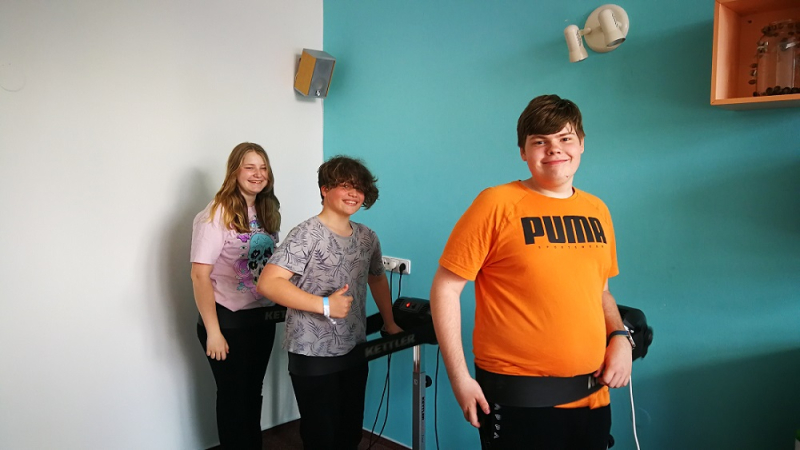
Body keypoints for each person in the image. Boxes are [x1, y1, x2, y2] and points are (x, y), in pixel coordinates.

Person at [430, 95, 633, 450]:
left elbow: (600, 290)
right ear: (523, 152)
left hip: (593, 395)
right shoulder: (496, 203)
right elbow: (446, 289)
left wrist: (619, 335)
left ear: (581, 144)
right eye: (540, 141)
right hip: (519, 399)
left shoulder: (597, 210)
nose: (554, 149)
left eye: (565, 138)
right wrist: (459, 378)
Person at [257, 155, 402, 450]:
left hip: (354, 346)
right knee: (321, 436)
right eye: (345, 186)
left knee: (349, 432)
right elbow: (269, 283)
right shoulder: (306, 234)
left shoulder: (367, 238)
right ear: (325, 189)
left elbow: (376, 279)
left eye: (358, 188)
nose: (353, 194)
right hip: (311, 351)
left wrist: (389, 322)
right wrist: (325, 305)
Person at [190, 142, 282, 450]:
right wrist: (213, 332)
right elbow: (199, 275)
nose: (258, 174)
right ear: (234, 171)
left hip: (261, 317)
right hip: (226, 321)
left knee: (252, 393)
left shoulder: (266, 211)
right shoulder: (215, 214)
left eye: (263, 168)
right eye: (250, 167)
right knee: (233, 397)